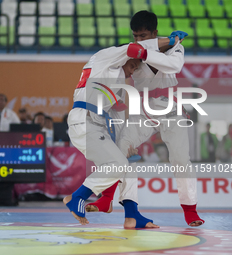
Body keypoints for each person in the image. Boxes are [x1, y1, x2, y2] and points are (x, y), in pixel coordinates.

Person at [86, 11, 204, 228]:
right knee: (120, 148)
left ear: (154, 33)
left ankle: (190, 210)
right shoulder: (133, 52)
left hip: (171, 110)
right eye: (136, 37)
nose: (139, 40)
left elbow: (174, 67)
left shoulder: (175, 47)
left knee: (180, 159)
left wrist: (156, 47)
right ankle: (106, 198)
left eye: (143, 35)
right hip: (143, 110)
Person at [63, 39, 145, 226]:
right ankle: (78, 197)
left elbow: (117, 118)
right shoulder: (104, 57)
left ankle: (127, 212)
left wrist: (126, 143)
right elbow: (133, 48)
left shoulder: (115, 82)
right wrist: (168, 43)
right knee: (118, 163)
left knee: (125, 163)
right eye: (132, 65)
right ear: (123, 56)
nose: (132, 71)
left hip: (96, 123)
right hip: (85, 120)